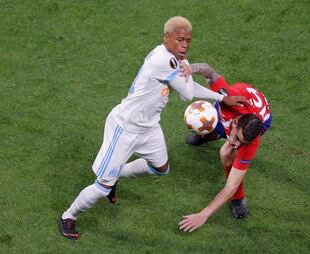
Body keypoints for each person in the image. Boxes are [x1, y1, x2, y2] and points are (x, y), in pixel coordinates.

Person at [59, 16, 246, 240]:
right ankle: (68, 216)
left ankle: (116, 175)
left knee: (160, 168)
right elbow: (186, 92)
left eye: (188, 40)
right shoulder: (162, 60)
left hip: (148, 128)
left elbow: (187, 84)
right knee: (101, 188)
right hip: (125, 128)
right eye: (180, 40)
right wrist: (189, 68)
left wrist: (221, 98)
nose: (185, 45)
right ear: (166, 38)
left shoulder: (173, 61)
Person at [178, 63, 272, 232]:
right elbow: (207, 70)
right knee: (209, 120)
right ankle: (211, 134)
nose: (237, 144)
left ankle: (239, 199)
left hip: (262, 118)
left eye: (242, 143)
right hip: (239, 94)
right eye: (237, 138)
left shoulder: (251, 138)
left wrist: (204, 214)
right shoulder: (228, 101)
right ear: (234, 123)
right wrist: (190, 68)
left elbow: (230, 185)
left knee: (227, 153)